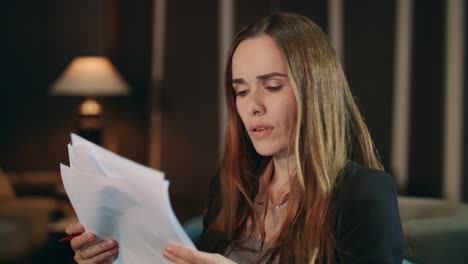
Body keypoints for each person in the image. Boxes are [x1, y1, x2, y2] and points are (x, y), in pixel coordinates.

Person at [65, 12, 404, 264]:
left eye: (271, 86)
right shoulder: (232, 186)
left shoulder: (364, 194)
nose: (252, 106)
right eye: (240, 91)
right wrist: (118, 256)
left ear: (315, 90)